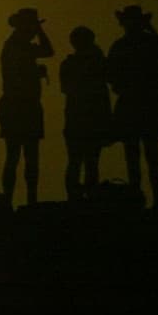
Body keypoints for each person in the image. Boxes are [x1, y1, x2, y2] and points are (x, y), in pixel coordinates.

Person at [106, 5, 158, 209]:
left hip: (140, 103)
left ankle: (149, 199)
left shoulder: (124, 45)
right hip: (142, 103)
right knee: (141, 154)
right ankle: (144, 198)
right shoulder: (131, 45)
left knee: (143, 154)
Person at [0, 7, 55, 208]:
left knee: (19, 155)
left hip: (20, 105)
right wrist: (40, 30)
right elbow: (48, 50)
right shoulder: (17, 46)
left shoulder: (16, 46)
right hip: (20, 106)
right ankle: (23, 201)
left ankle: (17, 201)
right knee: (22, 156)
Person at [59, 26, 112, 200]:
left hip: (76, 118)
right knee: (91, 162)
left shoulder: (68, 64)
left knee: (75, 161)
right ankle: (90, 198)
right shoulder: (97, 62)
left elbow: (66, 89)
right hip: (92, 119)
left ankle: (74, 198)